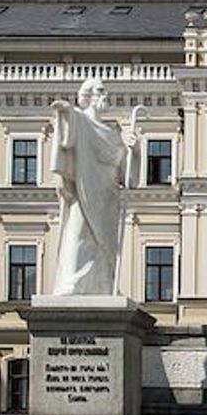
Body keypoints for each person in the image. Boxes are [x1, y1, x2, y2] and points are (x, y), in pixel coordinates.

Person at [49, 78, 137, 296]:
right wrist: (65, 112)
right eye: (100, 91)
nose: (105, 96)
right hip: (84, 189)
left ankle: (103, 285)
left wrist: (134, 151)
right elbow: (67, 134)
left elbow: (127, 179)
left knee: (104, 247)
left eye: (105, 91)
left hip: (108, 198)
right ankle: (72, 283)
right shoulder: (81, 121)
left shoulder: (112, 134)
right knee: (78, 234)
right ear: (87, 97)